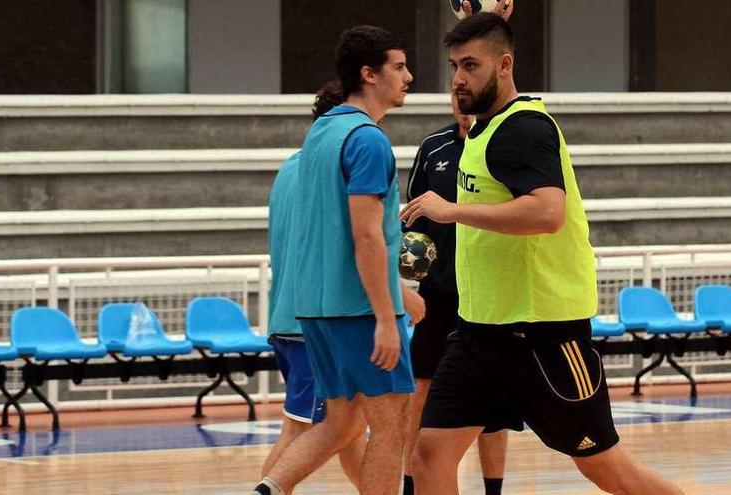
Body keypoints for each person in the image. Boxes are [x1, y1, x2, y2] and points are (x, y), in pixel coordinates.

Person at [400, 14, 686, 495]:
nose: (458, 78)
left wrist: (452, 211)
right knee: (429, 457)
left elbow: (547, 212)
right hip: (478, 334)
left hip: (543, 337)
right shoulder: (480, 133)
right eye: (454, 66)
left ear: (505, 65)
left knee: (606, 469)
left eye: (471, 65)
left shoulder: (523, 128)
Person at [254, 25, 423, 495]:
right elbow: (366, 234)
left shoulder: (318, 135)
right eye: (399, 67)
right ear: (369, 74)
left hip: (313, 310)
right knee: (391, 425)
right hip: (359, 310)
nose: (408, 76)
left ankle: (267, 488)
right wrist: (388, 316)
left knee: (339, 423)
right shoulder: (368, 140)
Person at [260, 80, 366, 489]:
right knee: (300, 430)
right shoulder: (334, 171)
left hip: (287, 317)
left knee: (347, 431)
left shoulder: (290, 167)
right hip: (314, 324)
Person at [401, 93, 508, 495]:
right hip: (438, 296)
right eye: (454, 92)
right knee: (420, 392)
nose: (461, 101)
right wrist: (409, 250)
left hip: (487, 296)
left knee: (493, 404)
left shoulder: (503, 143)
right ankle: (412, 484)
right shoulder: (433, 148)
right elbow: (414, 215)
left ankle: (493, 491)